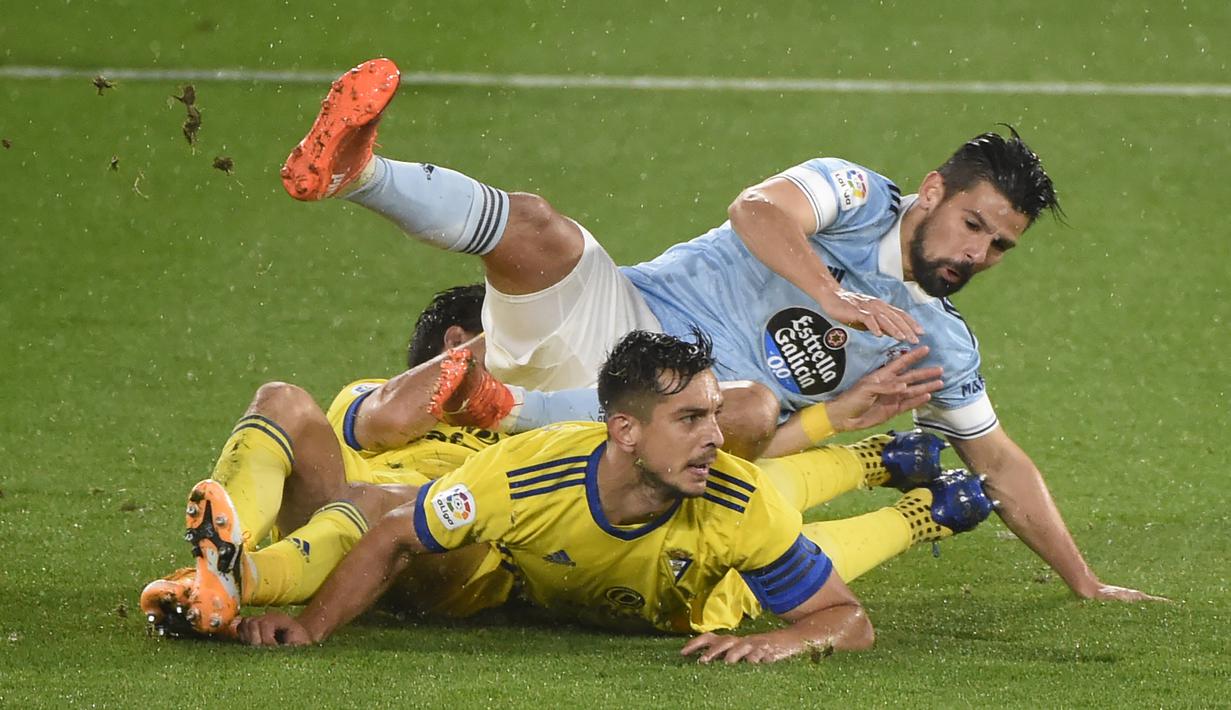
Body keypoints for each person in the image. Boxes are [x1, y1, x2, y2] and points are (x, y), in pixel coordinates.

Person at [279, 58, 1164, 603]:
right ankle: (356, 173)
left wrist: (1080, 578)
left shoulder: (936, 344)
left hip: (676, 430)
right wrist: (835, 296)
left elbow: (999, 461)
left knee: (735, 407)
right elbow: (755, 210)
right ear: (931, 190)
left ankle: (492, 410)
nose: (977, 254)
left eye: (1000, 247)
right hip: (626, 322)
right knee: (541, 227)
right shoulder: (851, 195)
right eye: (974, 226)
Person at [140, 287, 961, 637]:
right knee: (308, 427)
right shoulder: (382, 402)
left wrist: (826, 424)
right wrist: (508, 343)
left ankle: (900, 485)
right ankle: (228, 565)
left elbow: (712, 439)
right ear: (461, 348)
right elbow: (389, 413)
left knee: (760, 526)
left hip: (437, 543)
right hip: (384, 530)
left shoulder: (536, 440)